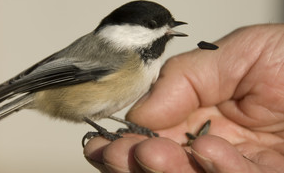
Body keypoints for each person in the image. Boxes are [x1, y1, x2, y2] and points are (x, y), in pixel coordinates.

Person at [83, 24, 284, 173]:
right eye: (155, 25)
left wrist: (136, 126)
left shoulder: (146, 61)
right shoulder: (120, 54)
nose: (168, 29)